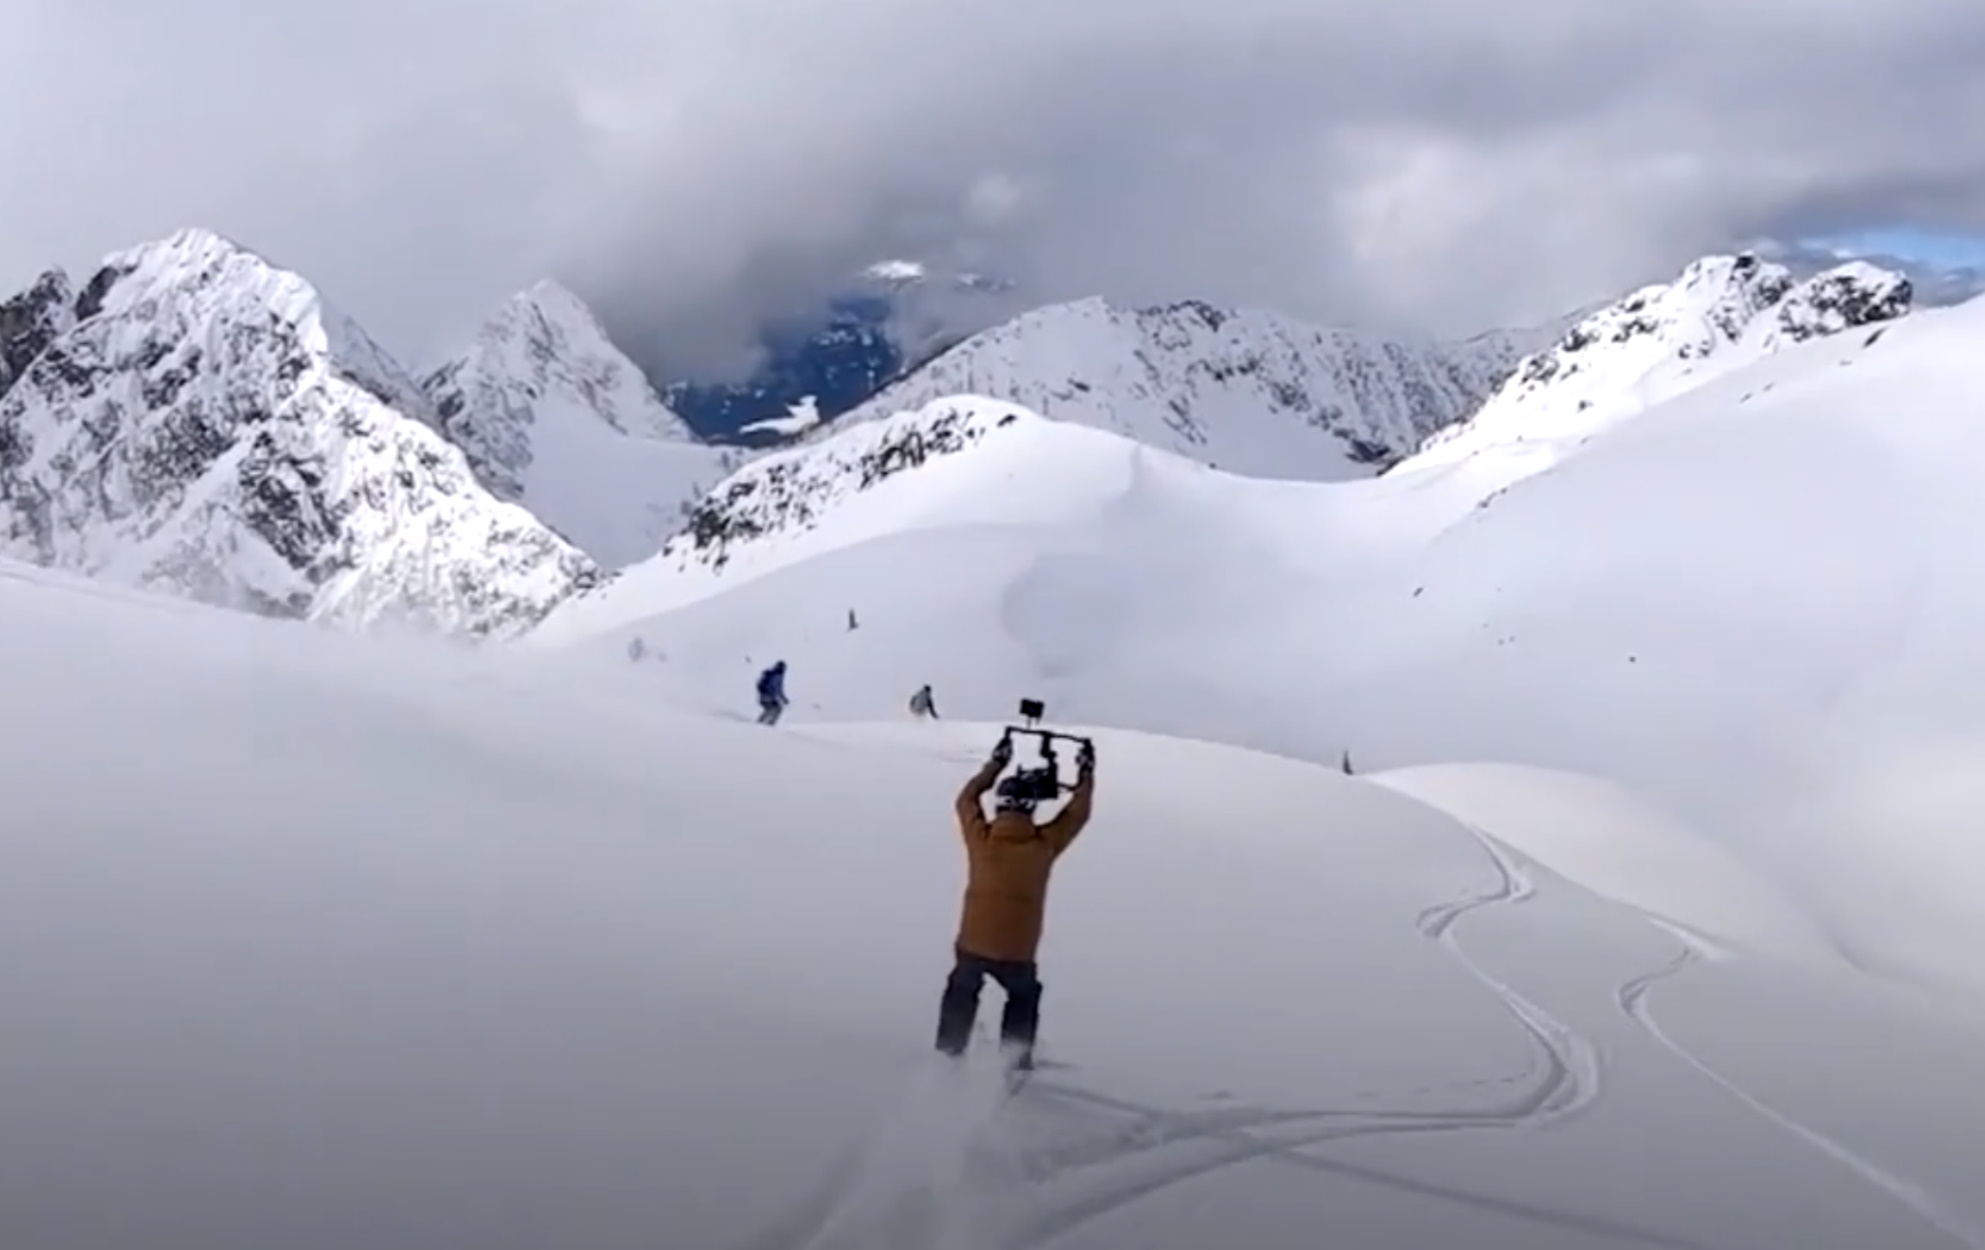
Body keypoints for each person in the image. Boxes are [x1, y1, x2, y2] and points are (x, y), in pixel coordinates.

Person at [934, 733, 1096, 1069]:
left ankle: (949, 1050)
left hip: (973, 941)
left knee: (962, 986)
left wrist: (995, 765)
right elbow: (1078, 813)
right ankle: (1014, 1057)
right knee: (1023, 994)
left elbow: (965, 800)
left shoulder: (981, 838)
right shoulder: (1043, 844)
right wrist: (1085, 774)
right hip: (1017, 949)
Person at [755, 661, 788, 725]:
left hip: (763, 695)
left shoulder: (771, 674)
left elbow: (778, 689)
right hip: (768, 696)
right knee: (775, 709)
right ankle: (768, 724)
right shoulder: (777, 676)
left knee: (770, 709)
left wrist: (783, 698)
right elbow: (777, 689)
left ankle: (761, 722)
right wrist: (783, 699)